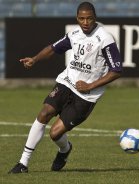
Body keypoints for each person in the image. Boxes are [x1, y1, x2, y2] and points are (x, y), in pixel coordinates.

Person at [8, 2, 122, 174]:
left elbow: (117, 71)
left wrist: (90, 85)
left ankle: (65, 150)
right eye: (82, 18)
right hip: (67, 82)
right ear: (77, 18)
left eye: (89, 18)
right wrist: (34, 59)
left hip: (86, 96)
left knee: (55, 134)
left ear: (95, 18)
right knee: (44, 113)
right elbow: (53, 48)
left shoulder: (105, 39)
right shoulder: (74, 34)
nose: (85, 22)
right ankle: (23, 163)